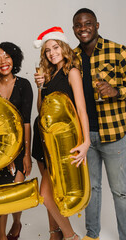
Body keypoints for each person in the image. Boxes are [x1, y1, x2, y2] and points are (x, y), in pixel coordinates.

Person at [32, 27, 91, 240]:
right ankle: (60, 234)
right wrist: (39, 87)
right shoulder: (49, 74)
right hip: (45, 140)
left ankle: (70, 236)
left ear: (64, 47)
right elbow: (40, 110)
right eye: (48, 50)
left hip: (64, 142)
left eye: (55, 47)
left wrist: (86, 142)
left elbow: (81, 109)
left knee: (46, 194)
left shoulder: (71, 72)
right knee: (50, 193)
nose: (52, 53)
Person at [72, 8, 126, 240]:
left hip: (114, 133)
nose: (83, 29)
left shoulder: (118, 51)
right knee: (90, 191)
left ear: (97, 25)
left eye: (87, 24)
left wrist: (116, 91)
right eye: (78, 25)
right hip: (85, 137)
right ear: (74, 29)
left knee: (121, 192)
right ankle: (91, 235)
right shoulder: (71, 57)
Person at [0, 42, 33, 240]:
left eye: (7, 57)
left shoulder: (24, 85)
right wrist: (4, 154)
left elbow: (26, 122)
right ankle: (1, 235)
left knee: (16, 193)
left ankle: (16, 222)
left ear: (14, 59)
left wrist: (26, 156)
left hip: (20, 148)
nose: (3, 62)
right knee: (1, 193)